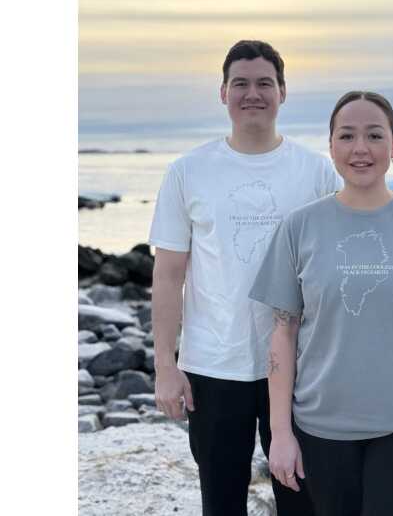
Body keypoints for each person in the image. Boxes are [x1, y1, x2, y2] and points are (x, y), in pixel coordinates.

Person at [249, 91, 393, 516]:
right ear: (331, 146)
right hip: (321, 429)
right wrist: (280, 434)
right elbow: (282, 335)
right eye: (347, 136)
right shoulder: (298, 228)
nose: (361, 148)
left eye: (374, 135)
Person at [148, 40, 341, 516]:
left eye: (264, 83)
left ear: (282, 92)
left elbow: (337, 270)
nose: (252, 93)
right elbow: (168, 276)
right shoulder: (188, 172)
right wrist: (165, 366)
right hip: (214, 366)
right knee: (221, 501)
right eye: (240, 84)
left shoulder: (316, 172)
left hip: (300, 366)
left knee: (303, 502)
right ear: (223, 93)